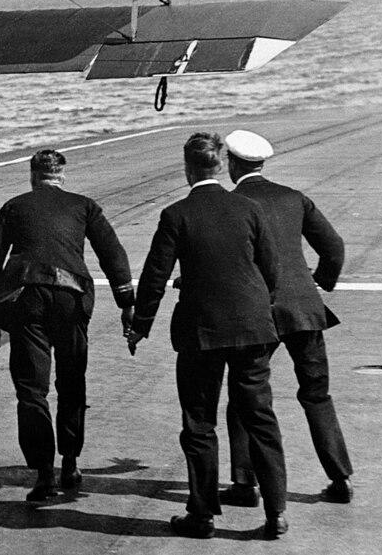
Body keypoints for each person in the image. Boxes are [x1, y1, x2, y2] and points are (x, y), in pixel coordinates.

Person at [127, 132, 289, 539]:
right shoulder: (248, 208)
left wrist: (140, 326)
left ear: (186, 167)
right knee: (261, 419)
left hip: (201, 333)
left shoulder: (176, 214)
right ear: (220, 165)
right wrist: (257, 310)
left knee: (199, 424)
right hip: (252, 328)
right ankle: (276, 513)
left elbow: (155, 277)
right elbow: (270, 270)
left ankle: (202, 515)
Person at [0, 149, 133, 501]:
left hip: (27, 298)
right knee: (71, 381)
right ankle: (71, 463)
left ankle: (44, 473)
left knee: (32, 388)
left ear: (32, 175)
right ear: (62, 175)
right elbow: (113, 253)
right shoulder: (84, 205)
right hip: (71, 297)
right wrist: (126, 303)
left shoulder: (14, 206)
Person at [220, 129, 353, 506]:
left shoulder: (232, 204)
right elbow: (334, 247)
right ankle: (340, 475)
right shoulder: (294, 197)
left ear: (231, 164)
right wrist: (319, 283)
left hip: (258, 313)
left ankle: (245, 483)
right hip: (306, 311)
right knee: (316, 394)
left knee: (245, 398)